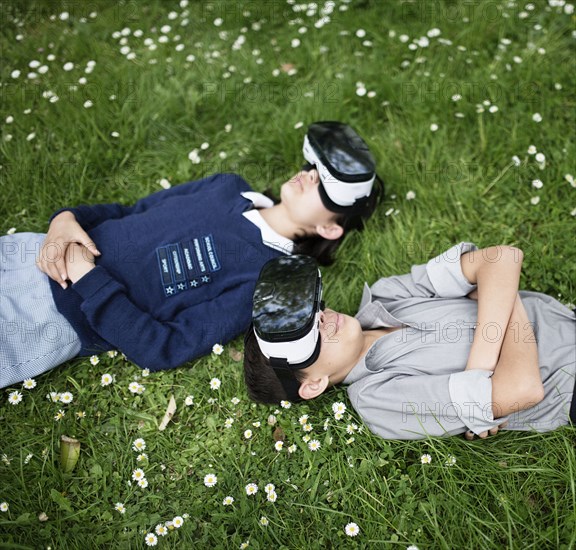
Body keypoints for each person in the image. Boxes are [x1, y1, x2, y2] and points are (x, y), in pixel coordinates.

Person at [0, 122, 382, 389]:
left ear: (330, 229)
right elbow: (128, 211)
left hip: (49, 315)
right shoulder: (226, 186)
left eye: (324, 186)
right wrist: (66, 219)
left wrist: (89, 280)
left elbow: (162, 348)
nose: (309, 175)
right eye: (313, 167)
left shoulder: (264, 279)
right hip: (29, 250)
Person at [244, 243, 576, 440]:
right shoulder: (376, 399)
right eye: (307, 335)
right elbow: (523, 389)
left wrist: (480, 368)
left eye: (310, 312)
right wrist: (504, 296)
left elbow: (502, 258)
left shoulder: (386, 293)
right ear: (313, 385)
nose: (323, 318)